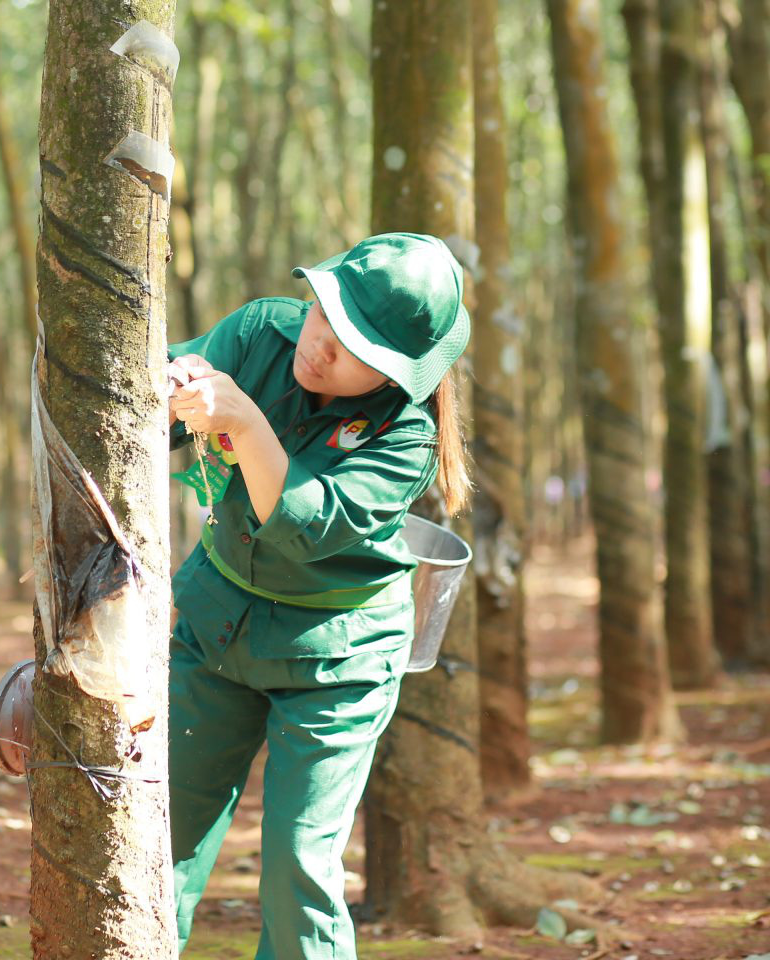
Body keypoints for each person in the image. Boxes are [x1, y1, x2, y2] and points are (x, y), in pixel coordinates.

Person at [163, 232, 473, 960]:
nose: (319, 346)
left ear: (398, 373)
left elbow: (302, 525)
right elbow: (152, 398)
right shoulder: (259, 332)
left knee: (297, 868)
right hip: (217, 625)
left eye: (352, 346)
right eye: (322, 316)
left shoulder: (406, 437)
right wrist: (175, 384)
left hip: (335, 664)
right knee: (159, 836)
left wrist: (241, 419)